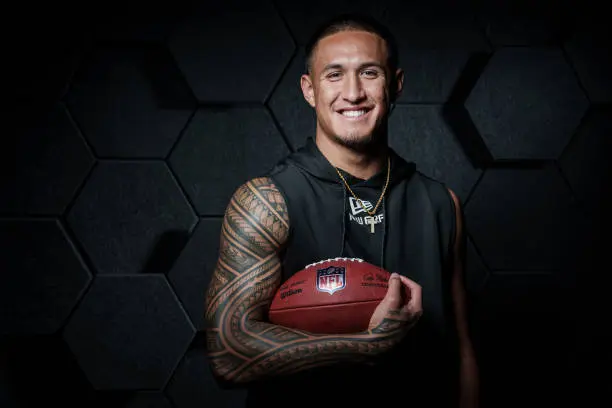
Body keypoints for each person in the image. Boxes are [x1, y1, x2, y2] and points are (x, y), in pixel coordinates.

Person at [204, 13, 479, 408]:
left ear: (396, 84)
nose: (353, 93)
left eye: (369, 73)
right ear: (309, 89)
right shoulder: (267, 202)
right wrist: (367, 346)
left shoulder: (441, 203)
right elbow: (228, 355)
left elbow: (462, 348)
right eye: (334, 75)